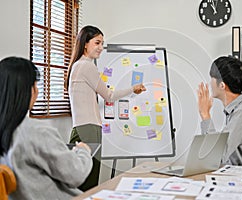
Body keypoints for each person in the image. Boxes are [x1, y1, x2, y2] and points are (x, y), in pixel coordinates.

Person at [65, 25, 146, 191]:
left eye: (102, 43)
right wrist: (133, 88)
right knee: (88, 181)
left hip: (80, 128)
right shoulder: (87, 66)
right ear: (85, 44)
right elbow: (109, 96)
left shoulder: (76, 66)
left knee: (78, 179)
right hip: (89, 129)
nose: (101, 48)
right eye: (97, 43)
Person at [0, 56, 93, 199]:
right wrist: (83, 151)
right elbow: (76, 174)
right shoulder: (35, 131)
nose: (37, 92)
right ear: (26, 90)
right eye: (34, 86)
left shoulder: (7, 131)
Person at [198, 56, 242, 167]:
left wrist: (205, 114)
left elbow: (217, 156)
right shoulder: (236, 110)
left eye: (212, 78)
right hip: (233, 173)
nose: (210, 83)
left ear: (222, 85)